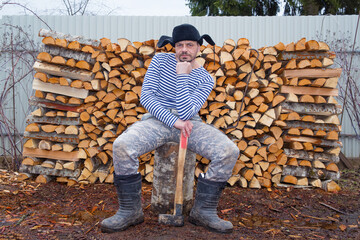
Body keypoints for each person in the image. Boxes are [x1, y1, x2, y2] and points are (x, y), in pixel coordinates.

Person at [100, 23, 239, 234]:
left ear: (198, 47)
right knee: (122, 146)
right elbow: (146, 97)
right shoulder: (159, 61)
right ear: (174, 46)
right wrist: (173, 121)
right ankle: (130, 211)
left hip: (190, 124)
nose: (184, 49)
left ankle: (204, 211)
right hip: (156, 121)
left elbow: (185, 112)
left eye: (189, 45)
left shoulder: (205, 79)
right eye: (180, 45)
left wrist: (183, 75)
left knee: (229, 151)